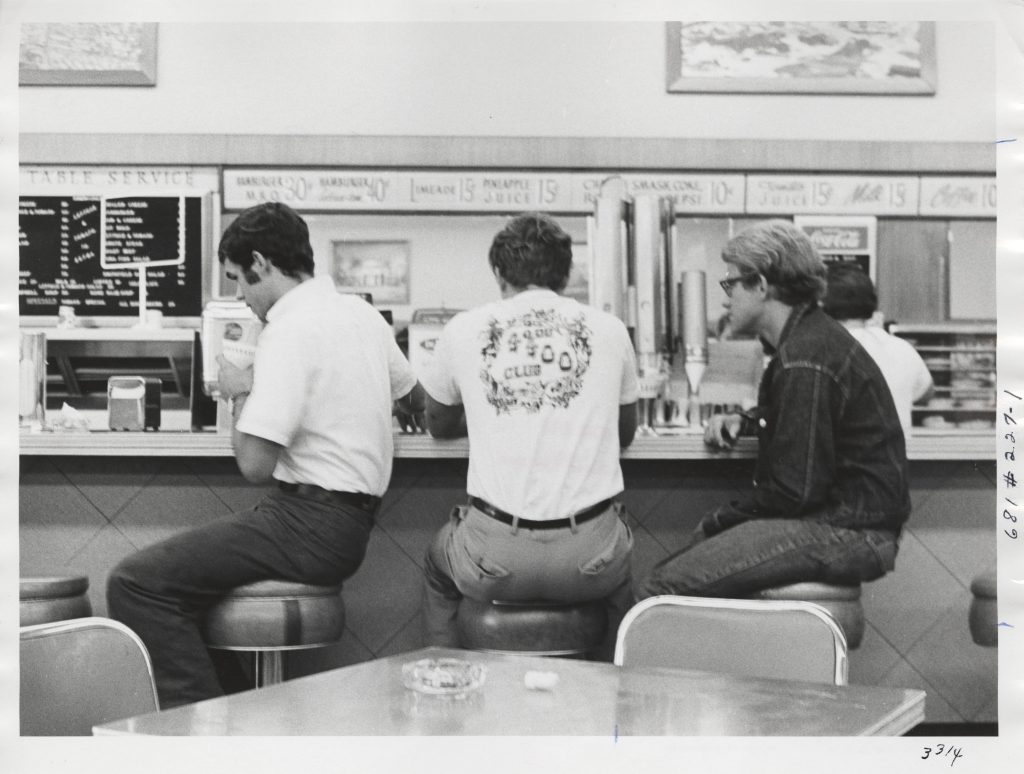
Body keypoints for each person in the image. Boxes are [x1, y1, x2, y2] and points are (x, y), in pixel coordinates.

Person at [107, 202, 422, 709]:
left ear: (261, 263)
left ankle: (202, 737)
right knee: (182, 588)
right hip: (346, 525)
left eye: (239, 280)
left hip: (306, 522)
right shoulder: (362, 314)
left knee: (136, 583)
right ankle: (234, 717)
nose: (240, 296)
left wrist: (238, 390)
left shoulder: (287, 328)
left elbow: (253, 464)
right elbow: (414, 398)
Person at [639, 219, 910, 599]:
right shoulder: (809, 341)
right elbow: (810, 425)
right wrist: (747, 420)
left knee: (660, 589)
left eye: (730, 283)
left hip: (848, 532)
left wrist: (720, 519)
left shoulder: (804, 357)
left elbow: (794, 493)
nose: (725, 297)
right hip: (852, 525)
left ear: (761, 285)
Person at [420, 212, 639, 653]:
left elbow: (437, 424)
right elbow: (626, 432)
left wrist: (490, 413)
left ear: (499, 273)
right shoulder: (611, 330)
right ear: (566, 272)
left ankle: (444, 682)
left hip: (495, 557)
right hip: (589, 559)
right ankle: (618, 697)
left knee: (436, 564)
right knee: (620, 583)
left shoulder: (463, 329)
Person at [823, 261, 933, 429]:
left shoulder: (823, 351)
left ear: (821, 304)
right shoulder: (902, 348)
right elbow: (927, 393)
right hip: (897, 453)